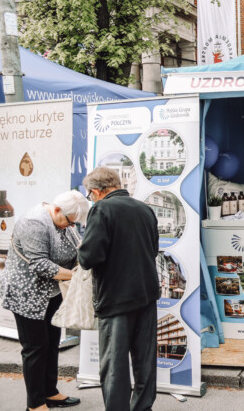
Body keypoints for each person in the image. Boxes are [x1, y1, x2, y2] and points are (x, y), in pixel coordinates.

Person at [0, 191, 89, 411]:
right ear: (57, 210)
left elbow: (75, 249)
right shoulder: (34, 224)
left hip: (49, 293)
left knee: (51, 344)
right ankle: (35, 404)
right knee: (35, 348)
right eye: (68, 222)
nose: (70, 227)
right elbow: (40, 265)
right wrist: (78, 276)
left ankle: (50, 391)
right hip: (26, 294)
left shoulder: (64, 220)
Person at [78, 167, 160, 411]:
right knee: (145, 362)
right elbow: (153, 250)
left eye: (89, 195)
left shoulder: (101, 209)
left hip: (116, 299)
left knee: (115, 367)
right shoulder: (145, 209)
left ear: (95, 191)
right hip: (146, 295)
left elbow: (89, 257)